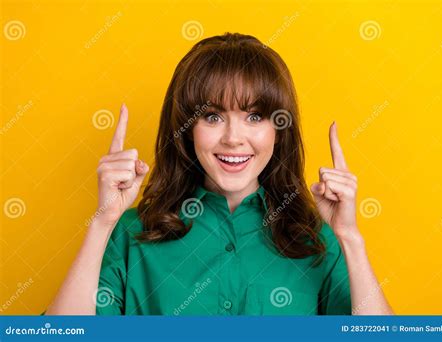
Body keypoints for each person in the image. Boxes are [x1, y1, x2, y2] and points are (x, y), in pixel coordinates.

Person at [44, 33, 393, 315]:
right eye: (212, 116)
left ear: (279, 130)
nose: (233, 138)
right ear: (187, 128)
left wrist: (350, 237)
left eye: (254, 116)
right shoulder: (132, 234)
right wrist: (102, 221)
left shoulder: (316, 239)